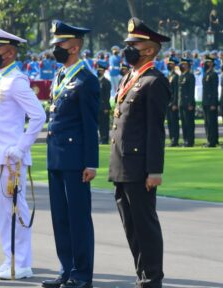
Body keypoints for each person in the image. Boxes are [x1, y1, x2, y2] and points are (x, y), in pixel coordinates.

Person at [109, 17, 171, 288]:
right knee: (130, 225)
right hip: (121, 163)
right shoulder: (129, 77)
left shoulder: (155, 81)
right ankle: (141, 275)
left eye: (134, 43)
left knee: (145, 224)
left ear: (149, 49)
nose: (128, 48)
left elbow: (155, 130)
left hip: (140, 165)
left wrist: (155, 169)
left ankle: (153, 277)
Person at [0, 26, 46, 280]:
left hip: (11, 159)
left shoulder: (16, 81)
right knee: (2, 210)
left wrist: (21, 147)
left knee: (16, 210)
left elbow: (39, 116)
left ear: (9, 52)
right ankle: (9, 259)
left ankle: (21, 263)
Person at [42, 20, 99, 288]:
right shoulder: (60, 76)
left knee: (78, 218)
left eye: (60, 44)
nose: (56, 48)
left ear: (74, 47)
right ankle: (66, 269)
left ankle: (81, 274)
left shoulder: (86, 79)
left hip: (76, 159)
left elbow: (90, 124)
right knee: (60, 218)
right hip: (56, 156)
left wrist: (91, 162)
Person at [202, 54, 219, 147]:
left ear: (211, 63)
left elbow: (214, 90)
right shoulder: (206, 74)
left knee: (211, 122)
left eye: (208, 62)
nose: (206, 64)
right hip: (206, 101)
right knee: (207, 122)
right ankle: (210, 139)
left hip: (211, 102)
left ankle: (212, 141)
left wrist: (213, 103)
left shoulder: (213, 74)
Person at [178, 58, 196, 147]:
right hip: (182, 103)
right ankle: (185, 140)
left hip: (188, 103)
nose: (183, 66)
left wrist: (190, 103)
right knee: (184, 123)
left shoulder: (190, 76)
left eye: (185, 64)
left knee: (189, 123)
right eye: (182, 64)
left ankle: (190, 141)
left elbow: (191, 91)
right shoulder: (181, 76)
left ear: (188, 66)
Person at [96, 60, 111, 144]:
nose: (99, 71)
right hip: (96, 106)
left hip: (103, 107)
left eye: (100, 70)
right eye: (98, 70)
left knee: (104, 124)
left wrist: (106, 107)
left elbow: (107, 96)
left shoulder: (106, 82)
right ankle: (99, 138)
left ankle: (104, 138)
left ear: (104, 71)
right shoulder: (95, 81)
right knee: (97, 124)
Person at [166, 56, 180, 146]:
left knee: (174, 123)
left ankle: (175, 140)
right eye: (168, 64)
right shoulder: (169, 75)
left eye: (171, 64)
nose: (169, 65)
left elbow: (176, 91)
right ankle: (172, 139)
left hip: (173, 103)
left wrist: (175, 103)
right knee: (170, 123)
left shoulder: (176, 76)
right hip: (168, 103)